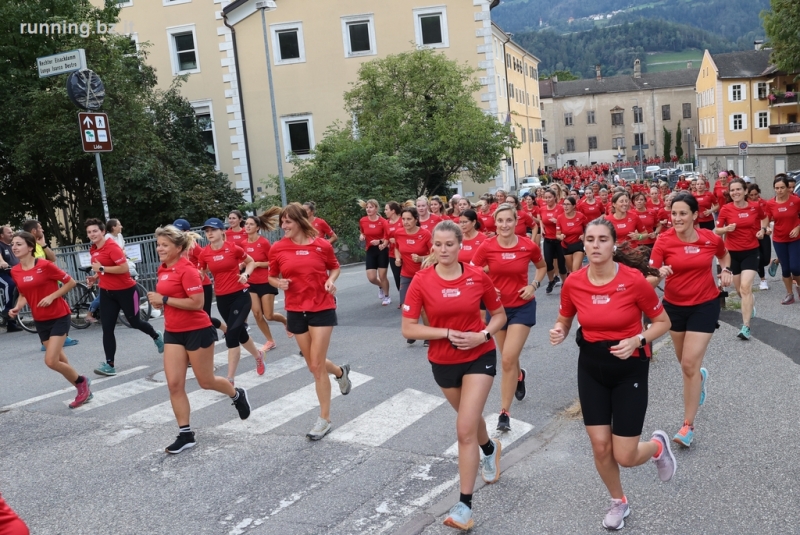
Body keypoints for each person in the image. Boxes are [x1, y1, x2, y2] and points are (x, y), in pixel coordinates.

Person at [549, 218, 676, 530]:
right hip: (591, 366)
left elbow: (663, 323)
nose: (595, 245)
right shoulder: (574, 282)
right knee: (600, 446)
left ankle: (657, 447)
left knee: (626, 455)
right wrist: (559, 330)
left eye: (602, 239)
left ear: (613, 244)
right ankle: (619, 501)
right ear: (583, 243)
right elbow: (565, 319)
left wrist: (637, 339)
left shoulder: (633, 281)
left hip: (629, 367)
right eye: (590, 239)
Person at [401, 220, 506, 531]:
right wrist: (446, 332)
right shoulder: (421, 280)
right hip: (443, 361)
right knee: (470, 420)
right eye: (438, 244)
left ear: (461, 246)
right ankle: (490, 449)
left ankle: (464, 506)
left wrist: (483, 335)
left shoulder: (477, 276)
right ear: (431, 246)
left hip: (479, 356)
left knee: (463, 430)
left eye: (450, 244)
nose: (444, 250)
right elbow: (408, 328)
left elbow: (499, 315)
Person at [147, 225, 251, 454]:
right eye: (159, 244)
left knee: (206, 381)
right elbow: (169, 300)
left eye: (165, 245)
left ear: (178, 247)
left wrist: (164, 299)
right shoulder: (162, 269)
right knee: (174, 384)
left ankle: (236, 394)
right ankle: (185, 434)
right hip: (173, 332)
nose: (159, 249)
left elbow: (196, 303)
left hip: (198, 330)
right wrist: (159, 302)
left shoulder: (188, 270)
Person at [649, 193, 732, 447]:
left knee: (688, 364)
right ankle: (699, 379)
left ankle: (687, 425)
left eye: (683, 213)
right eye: (674, 213)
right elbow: (648, 280)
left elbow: (724, 255)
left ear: (695, 215)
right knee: (686, 366)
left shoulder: (710, 238)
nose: (677, 218)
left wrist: (725, 270)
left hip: (705, 305)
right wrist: (658, 274)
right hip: (674, 307)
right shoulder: (663, 241)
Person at [268, 203, 352, 440]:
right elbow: (271, 276)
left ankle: (324, 419)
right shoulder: (278, 248)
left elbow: (334, 268)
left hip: (322, 308)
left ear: (299, 222)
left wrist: (330, 281)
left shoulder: (321, 245)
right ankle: (339, 371)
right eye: (282, 222)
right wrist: (278, 284)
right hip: (295, 309)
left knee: (315, 365)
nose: (283, 226)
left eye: (287, 222)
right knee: (312, 363)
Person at [471, 204, 547, 432]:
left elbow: (541, 266)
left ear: (516, 222)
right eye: (500, 221)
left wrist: (534, 285)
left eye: (509, 220)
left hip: (522, 307)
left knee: (506, 360)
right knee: (508, 358)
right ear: (495, 223)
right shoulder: (487, 246)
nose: (504, 225)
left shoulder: (528, 245)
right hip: (497, 310)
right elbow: (472, 270)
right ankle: (519, 375)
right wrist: (487, 288)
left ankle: (504, 412)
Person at [9, 231, 93, 409]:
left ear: (30, 247)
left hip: (59, 316)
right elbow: (24, 293)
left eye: (18, 244)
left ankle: (82, 382)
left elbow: (70, 282)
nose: (14, 247)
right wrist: (17, 307)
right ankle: (84, 391)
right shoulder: (15, 271)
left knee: (51, 361)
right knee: (61, 361)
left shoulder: (45, 265)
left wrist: (52, 296)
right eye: (13, 244)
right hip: (40, 320)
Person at [84, 218, 163, 376]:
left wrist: (101, 268)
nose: (92, 234)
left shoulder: (111, 246)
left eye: (95, 231)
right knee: (107, 328)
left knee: (134, 322)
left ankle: (156, 335)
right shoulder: (93, 249)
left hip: (126, 291)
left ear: (103, 232)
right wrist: (96, 276)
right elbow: (103, 269)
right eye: (89, 232)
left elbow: (123, 268)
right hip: (107, 293)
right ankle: (109, 364)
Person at [198, 218, 265, 383]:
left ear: (222, 231)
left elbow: (251, 262)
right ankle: (258, 355)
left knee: (232, 334)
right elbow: (202, 271)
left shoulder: (233, 248)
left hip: (240, 295)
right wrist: (198, 275)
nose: (210, 233)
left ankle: (230, 378)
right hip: (222, 298)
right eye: (207, 231)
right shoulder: (204, 253)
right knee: (240, 333)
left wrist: (245, 275)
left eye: (213, 230)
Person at [715, 178, 768, 340]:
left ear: (745, 191)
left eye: (738, 189)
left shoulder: (754, 206)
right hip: (732, 254)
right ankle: (749, 302)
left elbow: (764, 218)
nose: (735, 192)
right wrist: (726, 229)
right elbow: (716, 230)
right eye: (732, 190)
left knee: (745, 287)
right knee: (739, 290)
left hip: (751, 252)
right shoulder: (726, 209)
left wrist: (763, 230)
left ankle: (745, 327)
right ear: (729, 193)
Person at [23, 220, 80, 348]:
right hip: (42, 284)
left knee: (57, 310)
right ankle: (51, 340)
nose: (42, 230)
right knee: (59, 311)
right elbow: (40, 264)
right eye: (40, 228)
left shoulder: (38, 244)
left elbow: (52, 259)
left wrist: (43, 245)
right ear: (33, 231)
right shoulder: (29, 245)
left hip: (50, 283)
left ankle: (55, 339)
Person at [172, 219, 227, 334]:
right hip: (186, 286)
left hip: (202, 284)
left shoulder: (193, 246)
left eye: (179, 231)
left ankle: (218, 334)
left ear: (186, 231)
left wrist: (197, 271)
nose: (176, 233)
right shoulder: (175, 247)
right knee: (193, 316)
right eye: (175, 230)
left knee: (204, 316)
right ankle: (225, 330)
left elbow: (207, 260)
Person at [244, 209, 287, 352]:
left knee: (269, 315)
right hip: (250, 283)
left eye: (251, 224)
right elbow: (243, 261)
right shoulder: (243, 244)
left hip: (266, 281)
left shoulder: (263, 243)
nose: (247, 226)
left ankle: (286, 321)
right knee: (256, 313)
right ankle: (270, 340)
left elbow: (273, 262)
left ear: (257, 227)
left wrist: (257, 264)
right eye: (246, 224)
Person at [395, 207, 433, 344]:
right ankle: (411, 331)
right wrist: (398, 258)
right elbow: (397, 247)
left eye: (409, 219)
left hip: (423, 275)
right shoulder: (399, 233)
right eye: (403, 219)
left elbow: (435, 254)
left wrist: (422, 258)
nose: (405, 222)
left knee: (423, 308)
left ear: (416, 220)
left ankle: (429, 335)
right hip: (406, 274)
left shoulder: (425, 234)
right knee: (406, 306)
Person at [765, 174, 800, 304]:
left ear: (787, 188)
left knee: (796, 268)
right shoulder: (770, 203)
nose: (779, 190)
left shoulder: (796, 201)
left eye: (782, 188)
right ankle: (789, 294)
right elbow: (766, 220)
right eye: (776, 188)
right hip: (779, 240)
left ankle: (799, 287)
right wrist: (766, 228)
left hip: (795, 239)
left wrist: (798, 227)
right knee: (785, 268)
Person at [358, 199, 391, 306]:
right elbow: (362, 231)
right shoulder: (363, 220)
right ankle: (381, 286)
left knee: (382, 276)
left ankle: (387, 296)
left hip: (382, 249)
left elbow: (388, 237)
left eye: (371, 207)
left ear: (376, 208)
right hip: (370, 250)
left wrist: (380, 241)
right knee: (371, 277)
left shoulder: (383, 221)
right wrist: (362, 236)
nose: (368, 209)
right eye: (367, 207)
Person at [540, 189, 567, 293]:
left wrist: (557, 222)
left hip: (559, 239)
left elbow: (565, 220)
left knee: (561, 263)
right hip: (548, 239)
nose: (548, 199)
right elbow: (542, 220)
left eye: (550, 197)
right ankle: (551, 281)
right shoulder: (542, 209)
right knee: (548, 262)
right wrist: (542, 228)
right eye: (546, 197)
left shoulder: (560, 208)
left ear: (555, 197)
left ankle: (565, 284)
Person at [747, 184, 772, 290]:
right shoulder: (745, 204)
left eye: (756, 194)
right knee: (758, 258)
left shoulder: (764, 203)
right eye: (751, 195)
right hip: (752, 235)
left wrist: (767, 228)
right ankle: (763, 280)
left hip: (764, 233)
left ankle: (772, 262)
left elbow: (767, 217)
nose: (753, 197)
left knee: (766, 259)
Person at [556, 197, 588, 275]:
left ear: (574, 206)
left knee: (575, 270)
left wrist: (584, 235)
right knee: (572, 272)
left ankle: (581, 285)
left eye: (568, 204)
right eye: (564, 204)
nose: (565, 206)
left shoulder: (580, 216)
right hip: (566, 246)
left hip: (578, 245)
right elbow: (557, 234)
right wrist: (561, 237)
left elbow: (589, 228)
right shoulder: (560, 218)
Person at [0, 225, 22, 332]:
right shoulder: (0, 245)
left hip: (13, 272)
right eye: (9, 232)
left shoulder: (12, 246)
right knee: (10, 284)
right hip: (2, 274)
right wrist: (2, 262)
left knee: (23, 286)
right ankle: (7, 310)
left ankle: (12, 323)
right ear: (1, 235)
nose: (12, 233)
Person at [384, 201, 404, 297]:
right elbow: (386, 238)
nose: (384, 211)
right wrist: (382, 244)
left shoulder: (403, 221)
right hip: (392, 254)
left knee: (407, 276)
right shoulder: (386, 223)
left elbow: (408, 235)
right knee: (397, 277)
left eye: (386, 209)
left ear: (393, 211)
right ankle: (402, 298)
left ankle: (410, 298)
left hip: (405, 253)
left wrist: (396, 240)